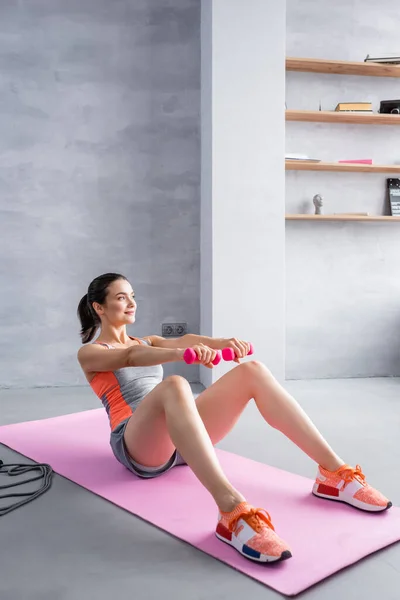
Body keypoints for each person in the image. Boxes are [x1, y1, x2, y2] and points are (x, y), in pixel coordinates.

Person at [77, 273, 392, 564]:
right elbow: (130, 357)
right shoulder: (91, 352)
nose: (131, 303)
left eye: (132, 295)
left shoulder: (147, 340)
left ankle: (334, 475)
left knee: (252, 372)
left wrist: (221, 344)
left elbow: (184, 340)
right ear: (98, 307)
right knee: (175, 385)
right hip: (137, 444)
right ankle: (232, 512)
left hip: (180, 440)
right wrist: (176, 356)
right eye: (121, 297)